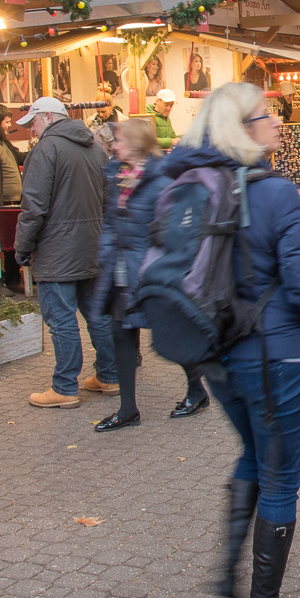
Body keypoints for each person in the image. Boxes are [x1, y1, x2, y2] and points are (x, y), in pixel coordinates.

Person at [166, 82, 300, 598]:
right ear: (244, 128)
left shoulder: (190, 187)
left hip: (216, 356)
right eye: (270, 116)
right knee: (281, 474)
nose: (279, 124)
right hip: (275, 354)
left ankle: (224, 575)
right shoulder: (275, 193)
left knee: (252, 455)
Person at [15, 96, 118, 408]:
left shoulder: (45, 150)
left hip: (56, 249)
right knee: (97, 315)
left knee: (62, 319)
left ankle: (64, 387)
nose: (32, 130)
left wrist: (22, 247)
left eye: (33, 122)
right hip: (92, 245)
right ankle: (110, 376)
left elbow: (33, 207)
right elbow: (107, 198)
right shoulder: (95, 149)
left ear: (48, 117)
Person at [86, 118, 175, 430]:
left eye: (120, 139)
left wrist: (155, 264)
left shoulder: (161, 180)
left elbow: (168, 232)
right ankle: (127, 409)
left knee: (171, 334)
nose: (114, 144)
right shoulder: (119, 176)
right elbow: (110, 221)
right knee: (122, 334)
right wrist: (108, 251)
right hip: (122, 269)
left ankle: (197, 389)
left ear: (136, 144)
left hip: (150, 273)